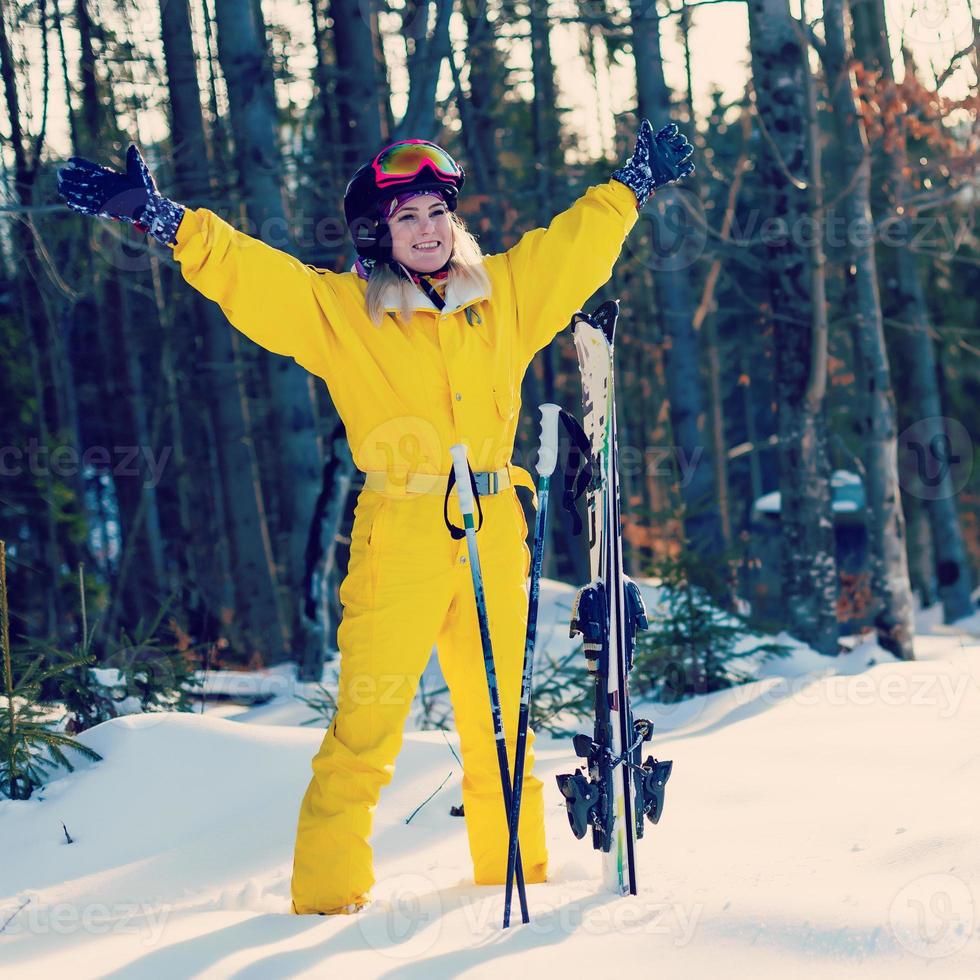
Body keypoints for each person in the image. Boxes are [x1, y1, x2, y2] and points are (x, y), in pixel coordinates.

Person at [57, 121, 695, 915]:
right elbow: (255, 277)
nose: (427, 231)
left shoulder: (504, 296)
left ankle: (517, 880)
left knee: (502, 723)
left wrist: (631, 183)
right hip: (401, 531)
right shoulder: (344, 312)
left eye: (437, 212)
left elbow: (574, 246)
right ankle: (327, 900)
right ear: (378, 233)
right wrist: (168, 221)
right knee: (367, 723)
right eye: (407, 218)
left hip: (497, 529)